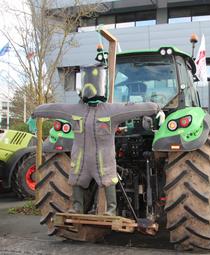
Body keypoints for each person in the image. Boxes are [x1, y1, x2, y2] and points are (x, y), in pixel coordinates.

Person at [32, 64, 161, 216]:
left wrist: (153, 107)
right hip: (81, 159)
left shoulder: (112, 110)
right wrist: (38, 111)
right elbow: (55, 108)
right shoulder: (76, 110)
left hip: (102, 159)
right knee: (77, 179)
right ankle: (77, 207)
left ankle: (111, 209)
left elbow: (134, 108)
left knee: (108, 179)